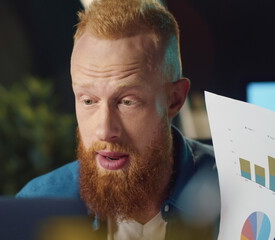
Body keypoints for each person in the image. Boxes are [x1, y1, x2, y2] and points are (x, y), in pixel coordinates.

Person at [17, 0, 220, 239]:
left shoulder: (242, 193)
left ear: (174, 100)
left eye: (127, 101)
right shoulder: (37, 206)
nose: (104, 130)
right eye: (88, 101)